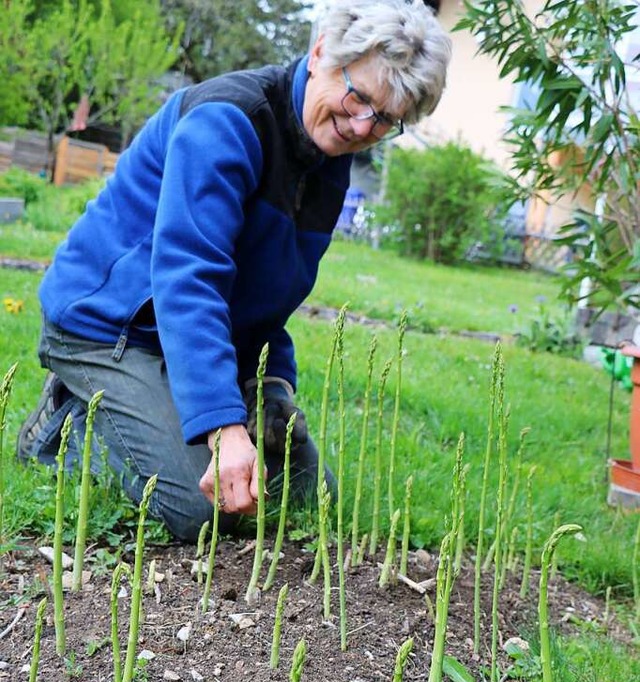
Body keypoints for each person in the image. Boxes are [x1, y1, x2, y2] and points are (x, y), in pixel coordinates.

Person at [17, 0, 451, 542]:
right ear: (320, 53)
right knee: (197, 509)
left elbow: (272, 292)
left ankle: (161, 409)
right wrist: (223, 426)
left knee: (305, 494)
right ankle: (66, 422)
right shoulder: (226, 119)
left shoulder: (328, 162)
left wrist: (269, 388)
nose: (363, 125)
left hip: (188, 335)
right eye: (359, 97)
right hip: (110, 326)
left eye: (387, 120)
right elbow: (188, 277)